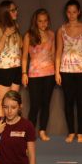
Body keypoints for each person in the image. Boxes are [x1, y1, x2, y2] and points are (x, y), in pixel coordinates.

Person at [55, 0, 82, 143]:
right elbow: (58, 51)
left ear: (79, 12)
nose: (71, 15)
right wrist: (57, 72)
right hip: (66, 70)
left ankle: (80, 132)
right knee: (68, 102)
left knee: (81, 101)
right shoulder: (61, 30)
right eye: (69, 12)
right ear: (66, 13)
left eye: (74, 12)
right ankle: (71, 131)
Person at [22, 9, 55, 141]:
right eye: (40, 21)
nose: (43, 24)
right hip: (34, 74)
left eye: (45, 21)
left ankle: (42, 131)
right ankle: (30, 132)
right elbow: (24, 57)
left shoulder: (51, 35)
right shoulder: (29, 35)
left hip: (50, 73)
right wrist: (24, 73)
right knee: (35, 104)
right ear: (35, 22)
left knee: (45, 103)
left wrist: (57, 72)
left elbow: (53, 54)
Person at [0, 0, 22, 118]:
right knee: (2, 104)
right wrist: (5, 35)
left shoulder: (16, 26)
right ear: (5, 12)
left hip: (16, 68)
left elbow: (19, 47)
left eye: (16, 9)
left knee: (13, 103)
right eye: (13, 10)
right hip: (4, 69)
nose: (16, 12)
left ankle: (10, 129)